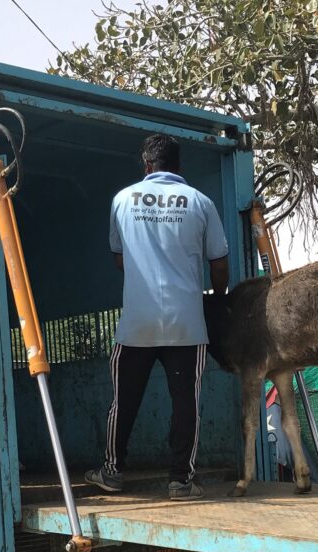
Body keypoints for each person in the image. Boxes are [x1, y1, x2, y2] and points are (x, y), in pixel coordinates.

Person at [85, 133, 229, 501]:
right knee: (186, 403)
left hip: (137, 321)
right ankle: (181, 481)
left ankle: (112, 471)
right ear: (179, 166)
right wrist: (217, 297)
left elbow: (119, 258)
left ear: (147, 165)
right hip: (186, 323)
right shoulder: (200, 201)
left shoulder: (121, 199)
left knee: (124, 400)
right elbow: (219, 262)